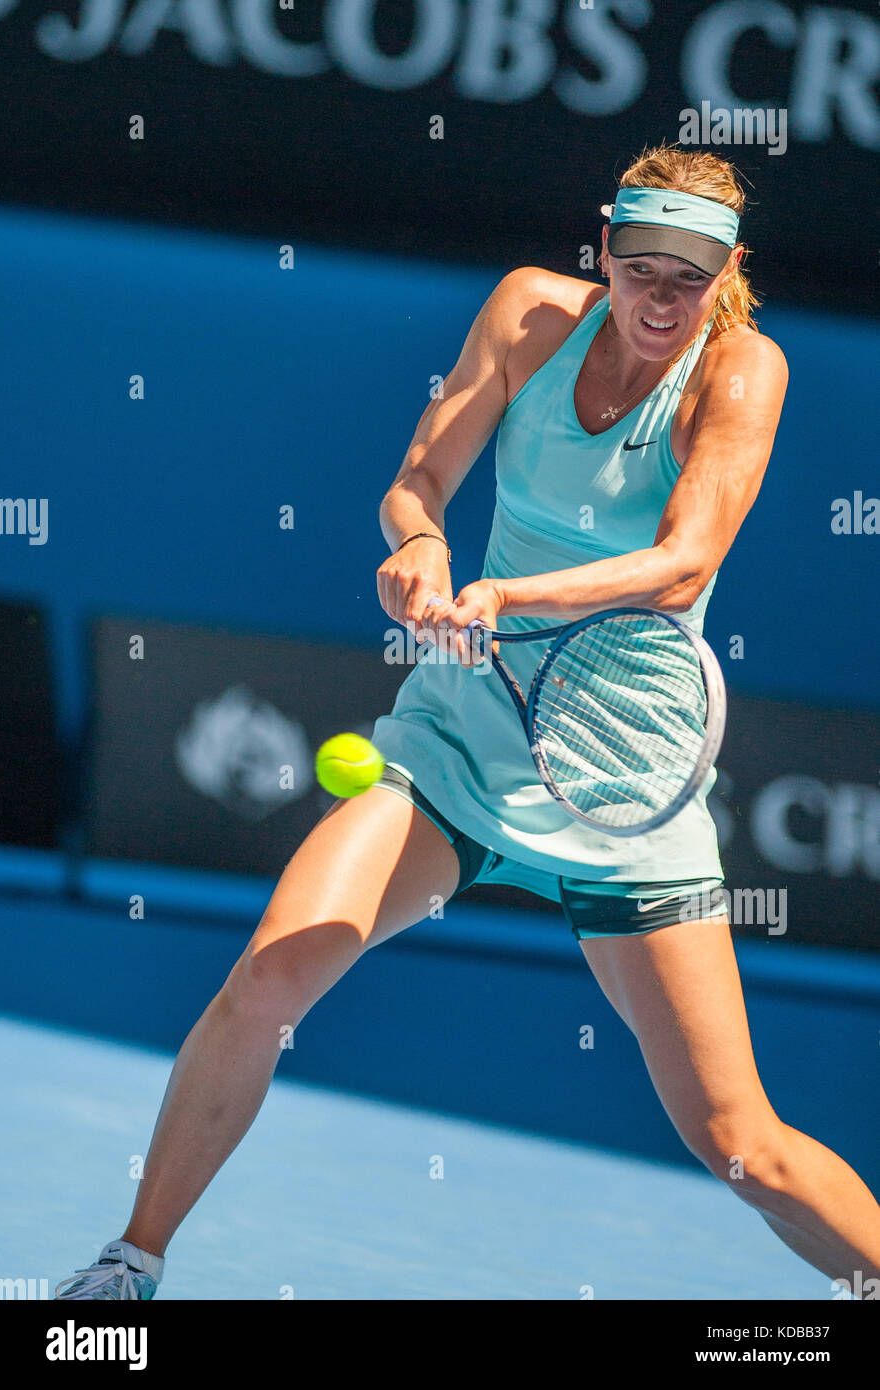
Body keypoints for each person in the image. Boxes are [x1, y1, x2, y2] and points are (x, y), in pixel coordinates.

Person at [55, 144, 880, 1300]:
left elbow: (684, 559)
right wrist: (423, 552)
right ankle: (127, 1265)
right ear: (601, 251)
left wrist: (505, 596)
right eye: (637, 268)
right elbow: (413, 483)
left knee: (740, 1140)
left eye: (686, 278)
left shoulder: (740, 369)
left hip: (620, 773)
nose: (658, 298)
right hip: (456, 742)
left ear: (726, 272)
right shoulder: (527, 315)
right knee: (267, 980)